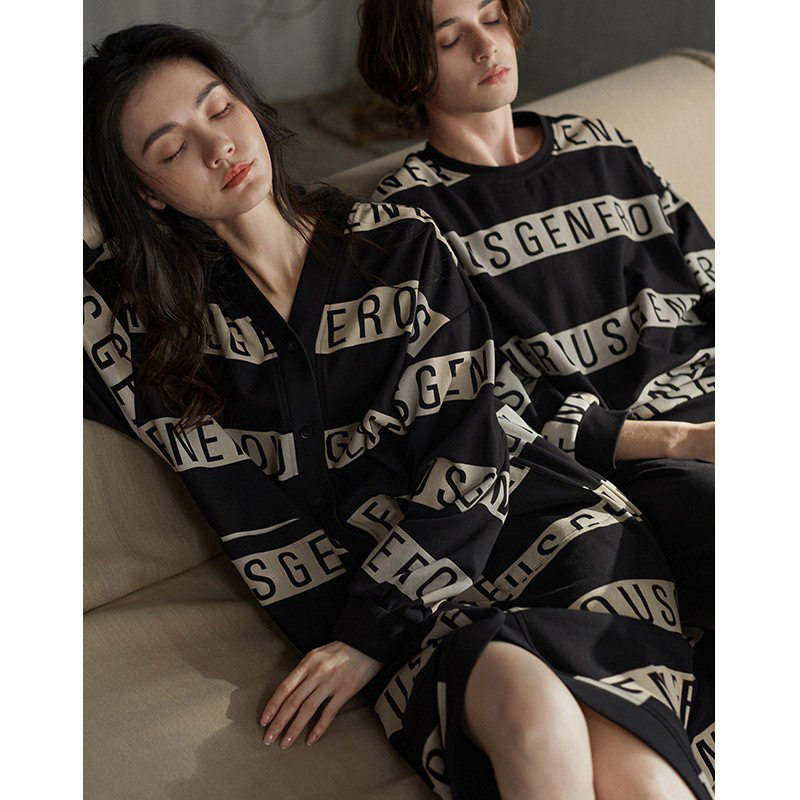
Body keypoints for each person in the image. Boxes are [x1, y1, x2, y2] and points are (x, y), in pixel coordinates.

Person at [84, 23, 713, 800]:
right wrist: (369, 632)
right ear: (144, 193)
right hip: (403, 613)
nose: (219, 147)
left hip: (546, 534)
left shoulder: (400, 246)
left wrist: (366, 635)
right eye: (172, 147)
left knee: (646, 782)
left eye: (220, 109)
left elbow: (471, 451)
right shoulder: (149, 333)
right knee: (535, 716)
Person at [357, 0, 715, 632]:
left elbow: (712, 274)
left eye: (492, 19)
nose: (486, 46)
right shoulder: (409, 223)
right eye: (451, 38)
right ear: (409, 70)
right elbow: (490, 409)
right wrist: (688, 441)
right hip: (642, 453)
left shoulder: (601, 147)